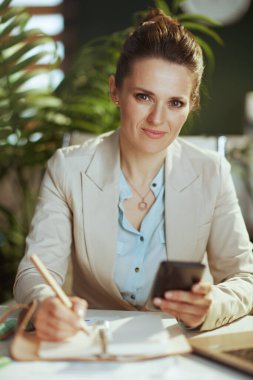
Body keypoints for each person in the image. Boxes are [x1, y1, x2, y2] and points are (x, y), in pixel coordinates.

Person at [14, 8, 253, 342]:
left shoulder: (212, 172)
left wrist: (212, 304)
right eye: (144, 96)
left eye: (175, 103)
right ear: (115, 92)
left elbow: (246, 278)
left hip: (178, 350)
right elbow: (33, 271)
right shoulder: (67, 168)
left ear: (191, 104)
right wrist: (46, 305)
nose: (158, 118)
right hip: (90, 346)